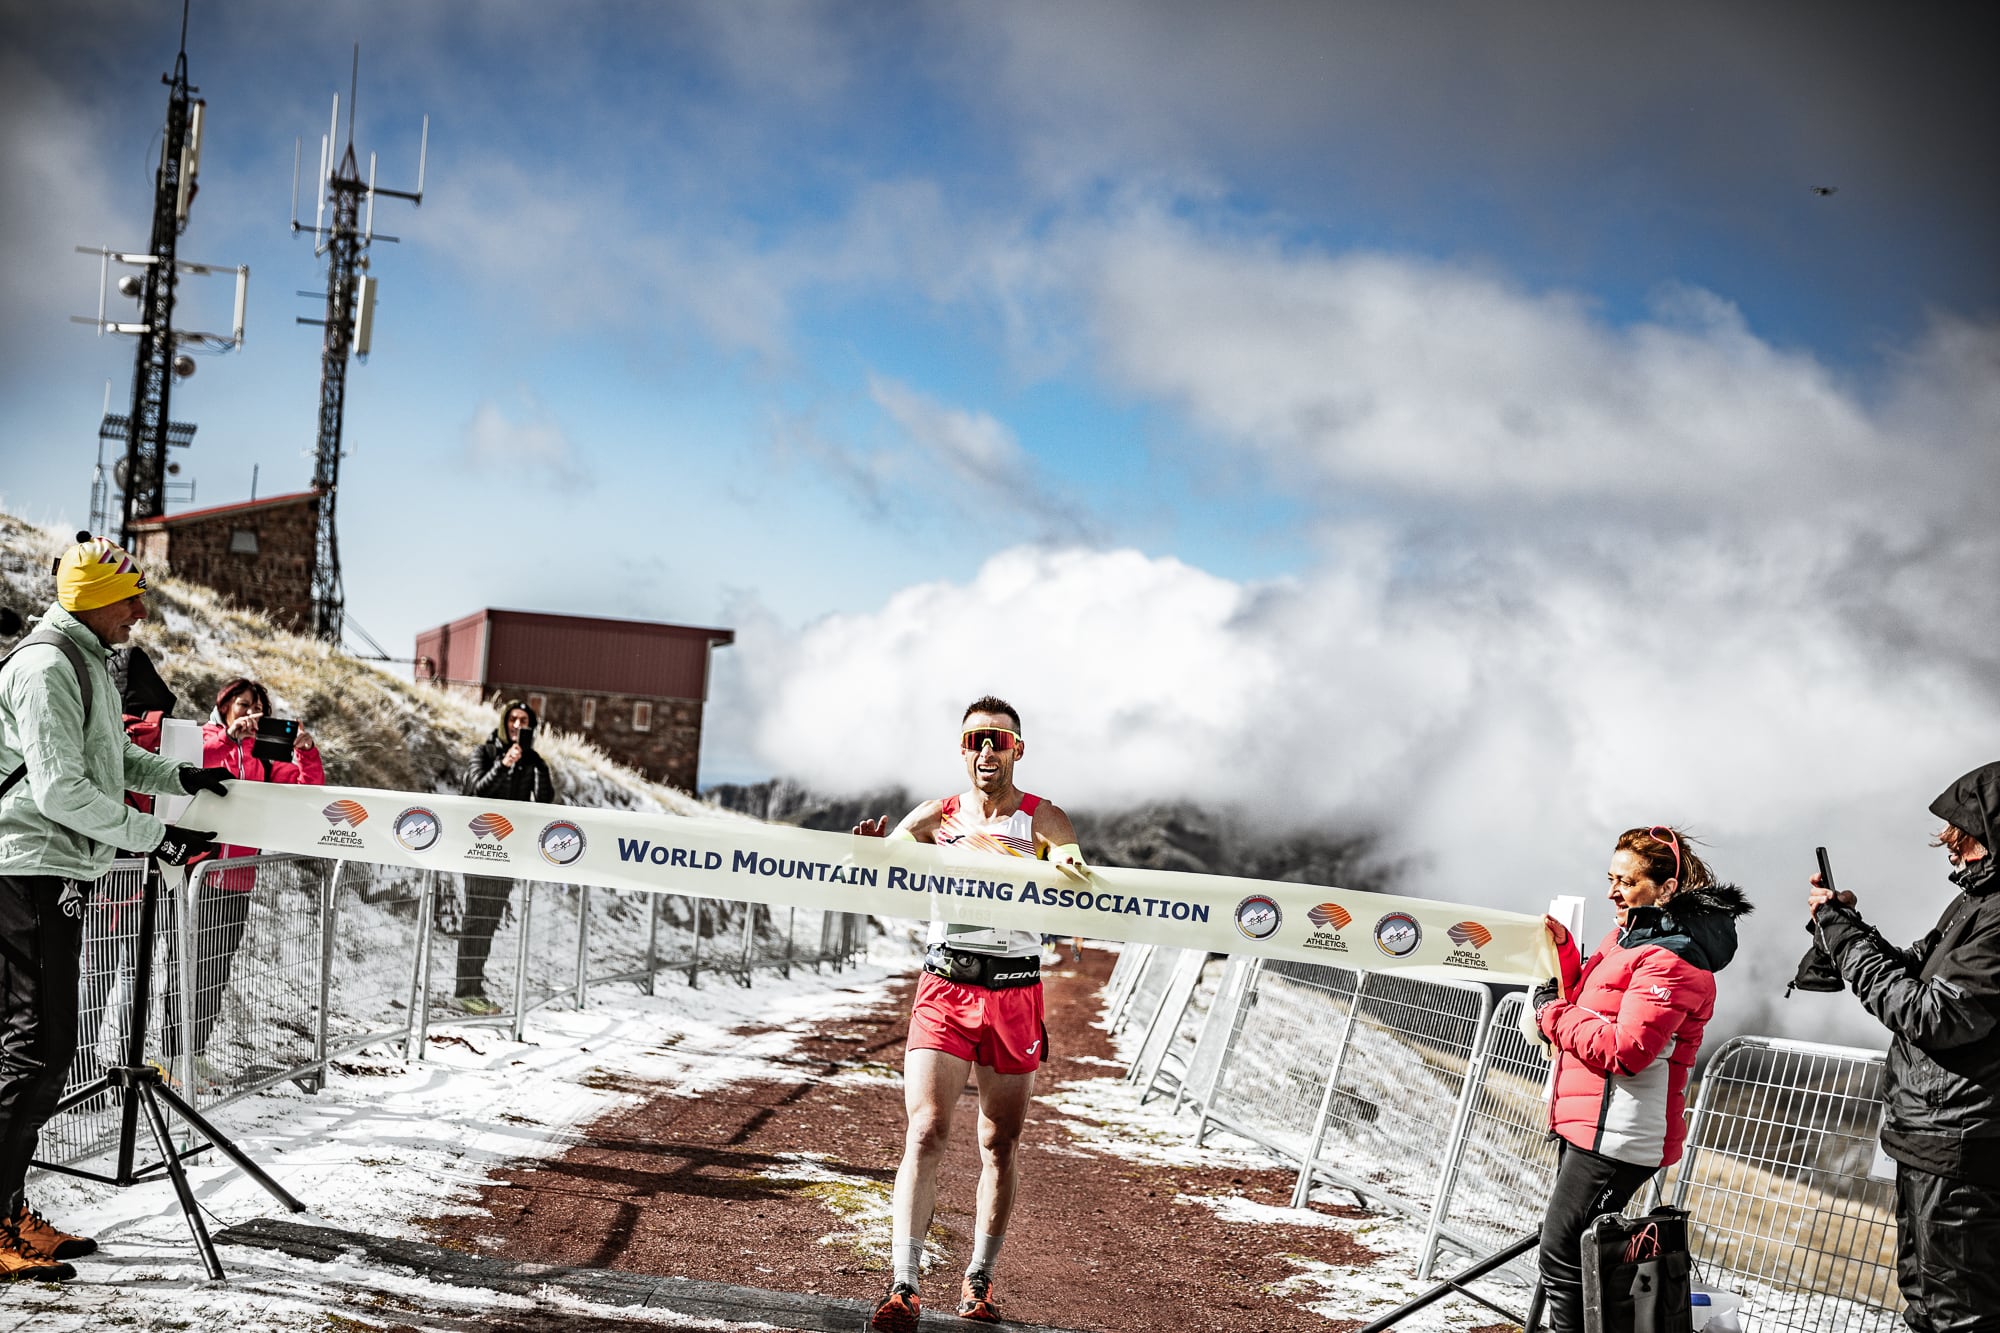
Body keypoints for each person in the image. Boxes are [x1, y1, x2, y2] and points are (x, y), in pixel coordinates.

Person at [0, 534, 229, 1281]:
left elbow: (109, 759)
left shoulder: (85, 659)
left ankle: (7, 1208)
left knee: (41, 1049)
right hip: (28, 869)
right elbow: (60, 791)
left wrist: (181, 775)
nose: (139, 611)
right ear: (95, 600)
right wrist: (158, 839)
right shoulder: (44, 666)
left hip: (54, 867)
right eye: (129, 598)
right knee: (35, 1050)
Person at [852, 696, 1088, 1330]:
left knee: (998, 1142)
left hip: (1014, 992)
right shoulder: (937, 814)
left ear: (1018, 749)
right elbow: (883, 877)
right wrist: (878, 851)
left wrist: (1063, 861)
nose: (988, 750)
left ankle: (978, 1281)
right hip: (946, 984)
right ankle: (903, 1285)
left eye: (1000, 740)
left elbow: (1067, 855)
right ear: (962, 749)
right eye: (976, 739)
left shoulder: (1045, 818)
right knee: (926, 1129)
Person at [1530, 825, 1752, 1333]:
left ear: (1666, 887)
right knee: (1575, 1257)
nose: (1612, 892)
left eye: (1626, 882)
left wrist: (1549, 1015)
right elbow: (1594, 1001)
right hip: (1589, 1122)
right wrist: (1566, 955)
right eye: (1610, 878)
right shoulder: (1628, 937)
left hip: (1618, 1133)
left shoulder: (1674, 957)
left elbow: (1625, 1050)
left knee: (1565, 1256)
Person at [1807, 761, 2000, 1329]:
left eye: (1964, 839)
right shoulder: (1976, 904)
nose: (1953, 851)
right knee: (1925, 1296)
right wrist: (1846, 926)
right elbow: (1913, 969)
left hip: (1960, 1147)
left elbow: (1930, 1013)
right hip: (1934, 1140)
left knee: (1958, 1312)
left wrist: (1843, 939)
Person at [158, 679, 325, 1080]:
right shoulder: (206, 737)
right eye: (243, 705)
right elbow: (183, 769)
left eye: (257, 708)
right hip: (195, 874)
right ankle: (170, 1056)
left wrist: (307, 752)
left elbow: (309, 789)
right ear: (225, 706)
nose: (250, 714)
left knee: (215, 970)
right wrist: (227, 739)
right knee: (186, 966)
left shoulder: (266, 759)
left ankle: (194, 1053)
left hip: (237, 880)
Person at [455, 698, 553, 1014]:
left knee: (490, 919)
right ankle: (465, 990)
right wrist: (505, 764)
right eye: (513, 719)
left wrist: (536, 764)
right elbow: (477, 790)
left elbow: (545, 800)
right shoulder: (483, 753)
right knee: (475, 918)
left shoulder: (533, 760)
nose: (517, 725)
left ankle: (475, 984)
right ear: (503, 722)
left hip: (509, 852)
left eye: (524, 721)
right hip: (479, 845)